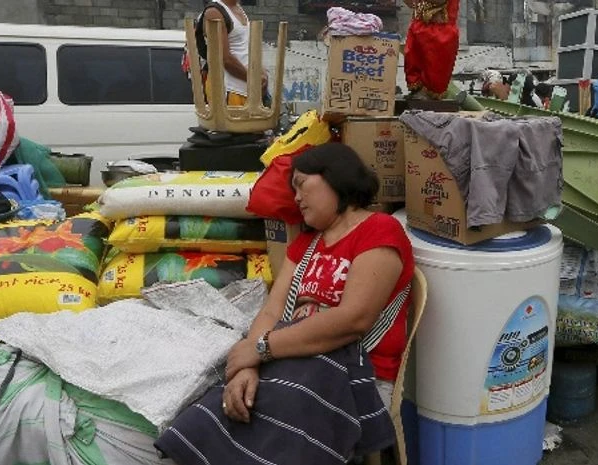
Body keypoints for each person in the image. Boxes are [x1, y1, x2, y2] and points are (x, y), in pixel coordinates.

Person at [155, 143, 415, 463]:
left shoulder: (379, 229)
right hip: (294, 359)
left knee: (275, 416)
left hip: (353, 375)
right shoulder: (307, 243)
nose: (297, 198)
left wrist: (261, 349)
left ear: (334, 177)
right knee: (216, 408)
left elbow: (353, 319)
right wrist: (248, 364)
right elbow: (273, 311)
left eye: (302, 184)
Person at [201, 0, 267, 106]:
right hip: (229, 90)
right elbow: (224, 58)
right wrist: (254, 79)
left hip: (248, 92)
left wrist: (262, 73)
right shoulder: (214, 12)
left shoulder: (239, 8)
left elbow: (246, 49)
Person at [403, 0, 460, 99]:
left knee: (433, 65)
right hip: (420, 25)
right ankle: (417, 90)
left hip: (439, 31)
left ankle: (428, 94)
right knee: (412, 58)